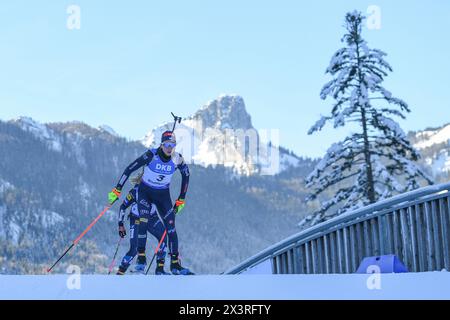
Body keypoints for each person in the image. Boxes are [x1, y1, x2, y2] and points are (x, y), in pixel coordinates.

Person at [108, 130, 193, 275]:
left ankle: (174, 265)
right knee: (144, 219)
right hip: (145, 192)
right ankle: (141, 259)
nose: (169, 148)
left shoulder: (177, 158)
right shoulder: (151, 155)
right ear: (161, 144)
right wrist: (117, 189)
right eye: (166, 144)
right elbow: (129, 169)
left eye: (172, 144)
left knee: (171, 228)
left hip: (162, 195)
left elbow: (186, 174)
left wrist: (181, 199)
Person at [115, 183, 170, 275]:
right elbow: (123, 206)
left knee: (163, 237)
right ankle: (120, 272)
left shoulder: (158, 188)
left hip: (152, 218)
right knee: (135, 248)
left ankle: (160, 269)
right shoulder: (135, 191)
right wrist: (121, 225)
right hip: (137, 219)